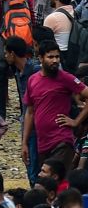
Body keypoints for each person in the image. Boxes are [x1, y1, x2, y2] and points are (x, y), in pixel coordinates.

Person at [22, 39, 88, 174]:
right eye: (50, 57)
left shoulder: (66, 78)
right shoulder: (32, 80)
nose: (55, 60)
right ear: (40, 58)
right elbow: (29, 112)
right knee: (48, 184)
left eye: (57, 57)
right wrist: (25, 142)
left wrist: (76, 121)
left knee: (53, 179)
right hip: (42, 143)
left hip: (62, 141)